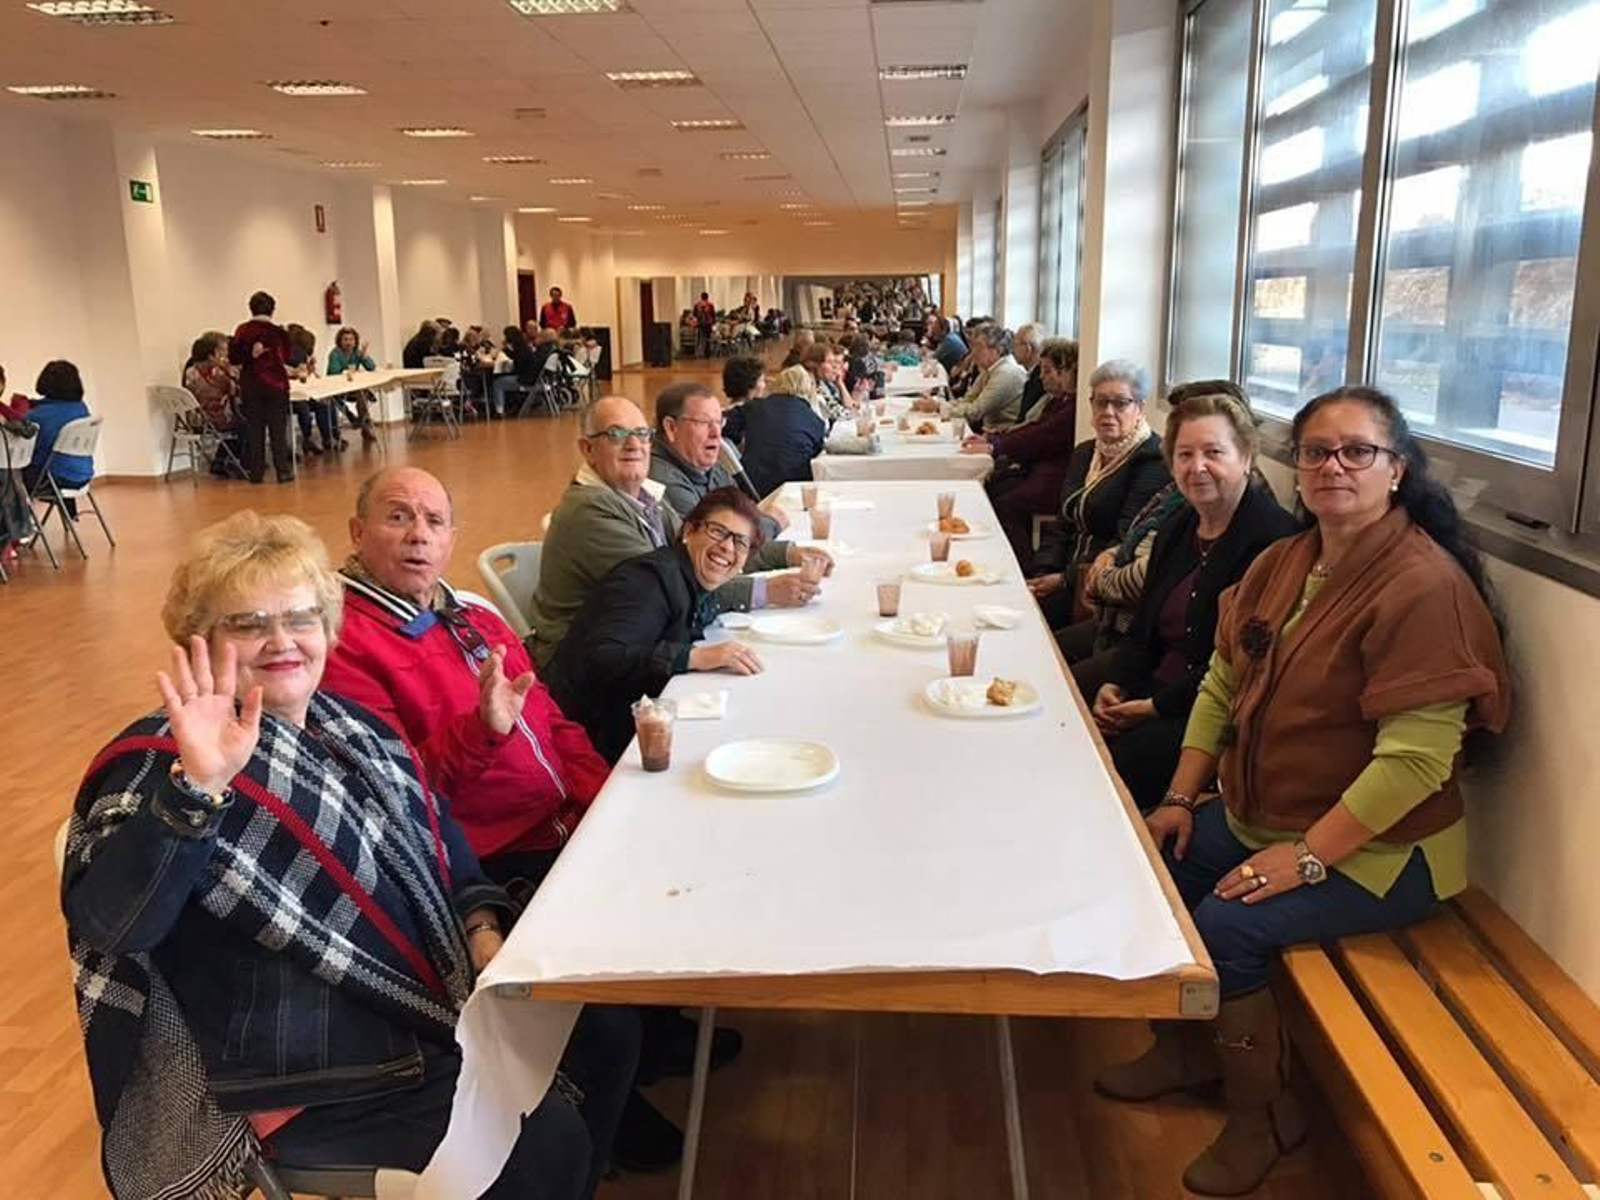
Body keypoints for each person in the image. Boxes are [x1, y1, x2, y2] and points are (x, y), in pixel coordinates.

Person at [61, 510, 635, 1200]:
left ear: (328, 628)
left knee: (607, 1032)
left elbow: (437, 830)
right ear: (199, 640)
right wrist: (197, 792)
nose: (282, 642)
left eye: (301, 618)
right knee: (541, 1147)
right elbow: (113, 926)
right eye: (248, 624)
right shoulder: (164, 763)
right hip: (298, 1063)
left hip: (407, 1001)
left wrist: (481, 924)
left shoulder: (349, 725)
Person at [1100, 386, 1510, 1195]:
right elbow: (1219, 684)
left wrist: (1307, 860)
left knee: (1225, 923)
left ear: (1397, 471)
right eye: (1318, 451)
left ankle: (1266, 1115)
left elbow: (1415, 765)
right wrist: (1180, 799)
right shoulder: (1286, 561)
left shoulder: (1422, 587)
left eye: (1358, 451)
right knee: (1155, 871)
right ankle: (1187, 1053)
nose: (1333, 467)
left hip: (1385, 852)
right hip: (1264, 817)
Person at [318, 469, 692, 1172]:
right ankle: (603, 1112)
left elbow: (549, 720)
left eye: (434, 520)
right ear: (357, 533)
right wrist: (482, 731)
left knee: (671, 868)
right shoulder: (346, 649)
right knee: (604, 1016)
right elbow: (397, 799)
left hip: (552, 823)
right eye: (398, 518)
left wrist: (601, 796)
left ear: (454, 537)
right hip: (483, 863)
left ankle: (652, 1042)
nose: (419, 535)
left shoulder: (472, 617)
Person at [1085, 389, 1296, 810]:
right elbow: (1143, 627)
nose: (1197, 467)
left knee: (1102, 768)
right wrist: (1117, 682)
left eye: (1213, 452)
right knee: (1061, 705)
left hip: (1208, 709)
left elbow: (1240, 669)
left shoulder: (1273, 542)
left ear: (1246, 458)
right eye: (1184, 455)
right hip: (1150, 686)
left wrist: (1148, 708)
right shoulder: (1179, 527)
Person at [526, 397, 826, 669]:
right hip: (588, 667)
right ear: (588, 449)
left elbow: (702, 549)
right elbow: (675, 588)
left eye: (642, 434)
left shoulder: (642, 495)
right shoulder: (589, 512)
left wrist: (785, 552)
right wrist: (767, 591)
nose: (634, 444)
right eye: (617, 434)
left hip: (645, 640)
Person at [543, 488, 769, 763]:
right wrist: (695, 657)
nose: (727, 547)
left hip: (630, 721)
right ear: (689, 531)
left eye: (740, 542)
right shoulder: (649, 581)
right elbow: (603, 657)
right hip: (586, 740)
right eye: (717, 531)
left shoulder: (692, 580)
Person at [1026, 359, 1168, 658]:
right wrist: (1043, 570)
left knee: (1028, 639)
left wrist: (1064, 579)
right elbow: (1063, 522)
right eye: (1100, 402)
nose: (1108, 412)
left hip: (1095, 590)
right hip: (1060, 575)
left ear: (1140, 407)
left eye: (1120, 403)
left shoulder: (1152, 461)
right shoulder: (1084, 453)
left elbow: (1123, 542)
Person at [980, 338, 1081, 561]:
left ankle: (1023, 566)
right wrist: (995, 441)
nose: (1043, 376)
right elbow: (1035, 428)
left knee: (1007, 506)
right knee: (994, 486)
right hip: (1040, 469)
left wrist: (997, 444)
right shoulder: (1062, 400)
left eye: (1053, 370)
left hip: (1056, 478)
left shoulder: (1074, 406)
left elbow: (1040, 436)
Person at [647, 381, 789, 539]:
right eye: (704, 422)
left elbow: (745, 515)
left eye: (719, 422)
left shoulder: (712, 468)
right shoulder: (662, 481)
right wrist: (772, 524)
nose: (716, 433)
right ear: (671, 427)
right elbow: (718, 546)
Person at [733, 365, 829, 496]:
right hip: (795, 489)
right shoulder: (815, 421)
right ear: (808, 389)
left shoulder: (756, 407)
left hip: (753, 487)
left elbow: (723, 423)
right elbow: (817, 454)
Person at [229, 291, 294, 483]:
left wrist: (251, 355)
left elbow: (234, 357)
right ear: (272, 309)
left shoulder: (242, 330)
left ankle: (256, 473)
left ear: (251, 308)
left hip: (252, 385)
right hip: (277, 385)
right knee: (278, 430)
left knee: (255, 430)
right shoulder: (279, 332)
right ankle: (282, 471)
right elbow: (287, 356)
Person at [21, 360, 94, 508]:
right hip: (83, 475)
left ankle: (16, 524)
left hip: (52, 478)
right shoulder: (81, 408)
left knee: (8, 473)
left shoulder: (37, 416)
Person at [947, 325, 1028, 433]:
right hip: (988, 431)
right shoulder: (991, 368)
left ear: (998, 350)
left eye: (979, 347)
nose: (974, 352)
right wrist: (940, 405)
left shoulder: (1006, 373)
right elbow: (969, 398)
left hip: (1001, 435)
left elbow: (976, 411)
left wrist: (942, 410)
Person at [326, 326, 380, 447]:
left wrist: (365, 355)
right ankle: (354, 418)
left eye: (351, 339)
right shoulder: (335, 354)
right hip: (338, 388)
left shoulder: (357, 353)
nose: (349, 342)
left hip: (354, 388)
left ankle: (362, 423)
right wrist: (347, 372)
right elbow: (333, 372)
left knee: (363, 392)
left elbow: (371, 367)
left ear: (355, 341)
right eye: (345, 339)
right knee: (336, 397)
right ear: (340, 341)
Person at [286, 325, 335, 456]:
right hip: (289, 395)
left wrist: (309, 370)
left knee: (322, 404)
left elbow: (303, 375)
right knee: (305, 408)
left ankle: (324, 439)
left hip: (301, 392)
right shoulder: (291, 353)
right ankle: (313, 438)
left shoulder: (299, 354)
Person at [692, 292, 716, 358]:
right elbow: (713, 316)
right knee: (707, 339)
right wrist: (713, 323)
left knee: (699, 339)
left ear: (701, 297)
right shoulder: (710, 305)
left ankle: (699, 353)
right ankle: (706, 353)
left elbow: (694, 316)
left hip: (699, 324)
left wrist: (695, 323)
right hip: (708, 325)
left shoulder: (697, 305)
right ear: (707, 297)